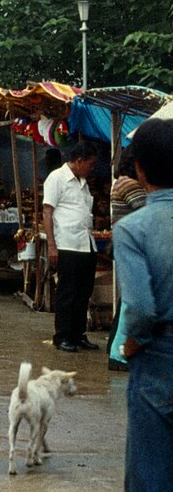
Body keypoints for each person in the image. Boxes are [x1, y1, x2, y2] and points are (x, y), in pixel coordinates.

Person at [113, 119, 173, 492]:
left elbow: (140, 307)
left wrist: (132, 342)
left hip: (159, 357)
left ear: (139, 171)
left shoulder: (133, 229)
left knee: (151, 481)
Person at [44, 141, 100, 352]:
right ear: (79, 161)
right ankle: (63, 335)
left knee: (83, 292)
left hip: (86, 243)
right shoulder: (57, 178)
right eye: (90, 164)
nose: (92, 168)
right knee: (67, 292)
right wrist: (52, 245)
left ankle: (78, 334)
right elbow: (47, 212)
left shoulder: (82, 182)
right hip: (67, 243)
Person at [109, 150, 148, 370]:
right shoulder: (128, 184)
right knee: (130, 303)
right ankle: (119, 352)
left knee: (128, 301)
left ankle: (117, 350)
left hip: (126, 246)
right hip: (132, 247)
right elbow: (146, 210)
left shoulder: (120, 182)